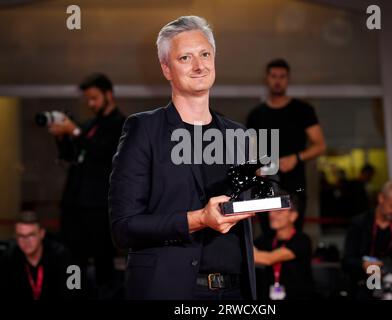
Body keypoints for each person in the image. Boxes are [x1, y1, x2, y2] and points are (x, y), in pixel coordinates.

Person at [109, 16, 257, 300]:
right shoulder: (144, 129)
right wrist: (199, 218)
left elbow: (241, 214)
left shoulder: (238, 135)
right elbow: (124, 228)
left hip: (235, 293)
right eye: (185, 58)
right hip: (171, 290)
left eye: (205, 54)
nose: (199, 66)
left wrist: (265, 195)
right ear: (167, 69)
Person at [47, 73, 126, 296]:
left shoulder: (122, 124)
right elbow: (72, 156)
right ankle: (75, 293)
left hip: (98, 207)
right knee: (73, 259)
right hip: (74, 205)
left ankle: (106, 294)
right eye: (87, 99)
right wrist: (62, 136)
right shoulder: (90, 124)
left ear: (108, 95)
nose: (90, 104)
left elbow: (103, 153)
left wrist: (74, 131)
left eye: (94, 98)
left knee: (102, 259)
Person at [246, 58, 326, 233]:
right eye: (273, 76)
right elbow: (250, 153)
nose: (277, 80)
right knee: (268, 236)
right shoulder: (256, 115)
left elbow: (320, 145)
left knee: (292, 236)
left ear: (288, 79)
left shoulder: (303, 110)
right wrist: (256, 167)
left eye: (282, 76)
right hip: (267, 185)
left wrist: (296, 157)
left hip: (295, 185)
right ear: (267, 79)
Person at [342, 180, 392, 300]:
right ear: (381, 198)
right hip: (363, 286)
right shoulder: (359, 223)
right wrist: (364, 265)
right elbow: (346, 261)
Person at [0, 211, 72, 300]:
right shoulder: (9, 257)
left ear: (41, 234)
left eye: (31, 235)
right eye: (21, 236)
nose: (26, 241)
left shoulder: (63, 256)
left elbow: (75, 292)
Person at [253, 195, 314, 300]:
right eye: (271, 210)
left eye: (279, 211)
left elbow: (268, 259)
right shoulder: (265, 240)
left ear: (293, 216)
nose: (272, 215)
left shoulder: (301, 240)